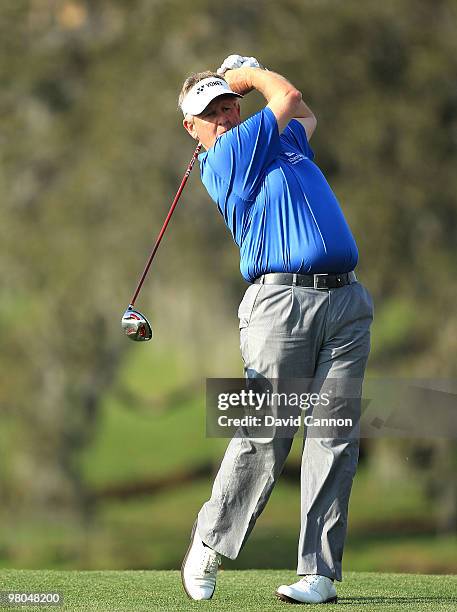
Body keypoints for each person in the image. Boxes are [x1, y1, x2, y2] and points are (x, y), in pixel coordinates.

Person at [179, 54, 373, 604]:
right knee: (266, 432)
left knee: (335, 439)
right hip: (280, 304)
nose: (223, 116)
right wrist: (251, 74)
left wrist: (246, 80)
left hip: (345, 300)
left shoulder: (280, 143)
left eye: (227, 105)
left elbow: (303, 118)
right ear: (191, 128)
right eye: (210, 112)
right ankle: (210, 543)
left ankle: (319, 574)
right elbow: (286, 97)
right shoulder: (225, 156)